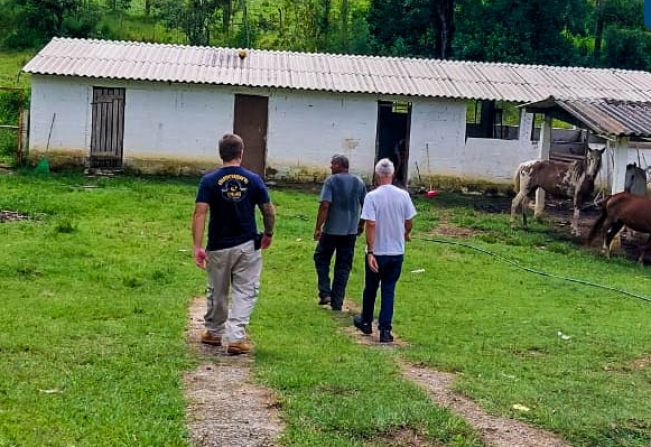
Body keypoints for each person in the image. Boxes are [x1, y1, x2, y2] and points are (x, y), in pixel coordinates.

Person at [192, 133, 275, 355]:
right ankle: (236, 337)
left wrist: (197, 246)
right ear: (241, 153)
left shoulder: (208, 181)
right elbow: (268, 209)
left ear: (221, 154)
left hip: (218, 245)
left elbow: (200, 213)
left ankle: (214, 332)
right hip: (247, 243)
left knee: (217, 289)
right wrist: (268, 233)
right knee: (245, 290)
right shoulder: (254, 179)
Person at [353, 158, 416, 343]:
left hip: (378, 251)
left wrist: (370, 251)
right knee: (389, 289)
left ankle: (366, 321)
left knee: (371, 288)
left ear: (377, 175)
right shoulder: (403, 195)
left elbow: (370, 224)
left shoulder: (372, 197)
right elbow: (409, 219)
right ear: (393, 174)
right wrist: (406, 232)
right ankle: (385, 330)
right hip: (396, 252)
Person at [313, 154, 367, 311]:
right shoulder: (359, 182)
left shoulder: (331, 181)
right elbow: (366, 206)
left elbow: (325, 204)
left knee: (321, 258)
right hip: (350, 232)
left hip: (331, 230)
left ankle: (325, 292)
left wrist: (318, 227)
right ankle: (337, 301)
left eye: (333, 164)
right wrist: (361, 225)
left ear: (340, 165)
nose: (330, 167)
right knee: (343, 266)